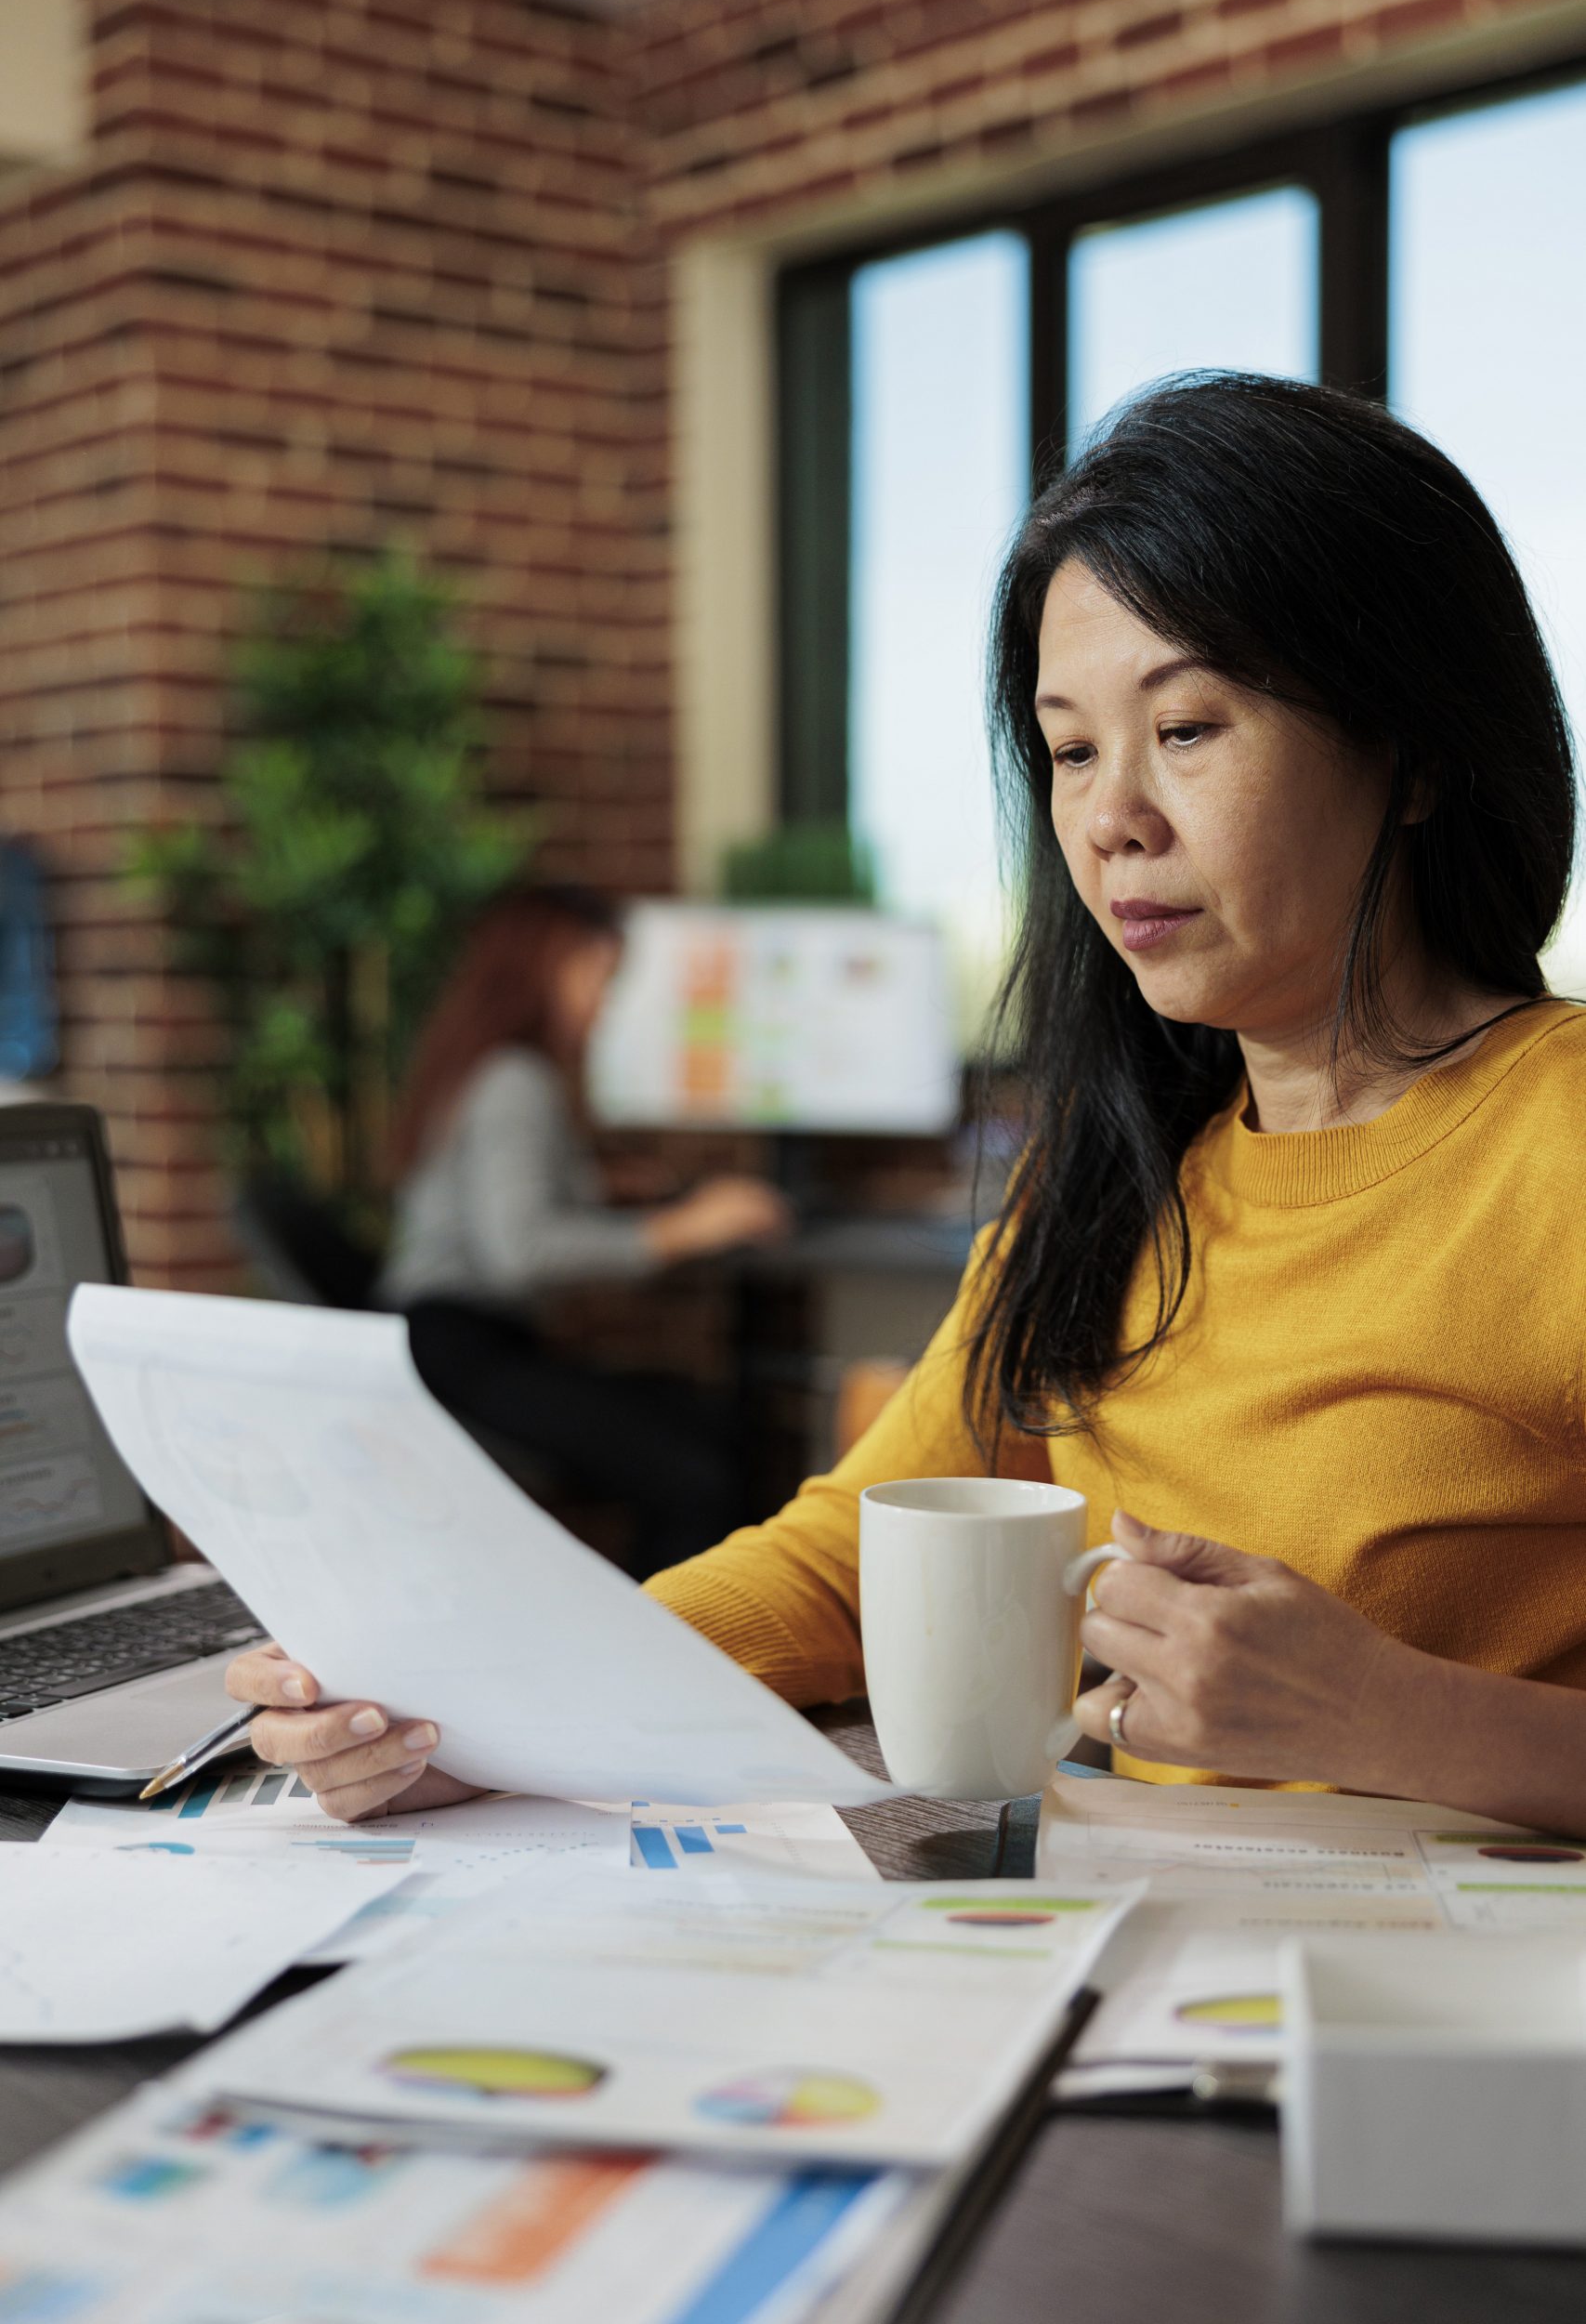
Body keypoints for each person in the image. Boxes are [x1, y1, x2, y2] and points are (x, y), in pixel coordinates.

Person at [230, 374, 1586, 1835]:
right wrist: (481, 1716)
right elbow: (847, 1556)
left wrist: (1397, 1718)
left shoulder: (1550, 1142)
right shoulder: (1114, 1164)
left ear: (1418, 756)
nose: (1110, 816)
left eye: (1185, 728)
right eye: (1069, 749)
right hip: (1143, 1968)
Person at [378, 881, 789, 1574]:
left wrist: (596, 1183)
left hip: (442, 1342)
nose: (605, 1006)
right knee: (694, 1475)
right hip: (460, 1353)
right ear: (544, 969)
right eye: (599, 978)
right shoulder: (518, 1082)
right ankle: (660, 1658)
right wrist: (685, 1228)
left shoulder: (483, 1068)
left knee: (715, 1424)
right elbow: (521, 1252)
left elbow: (492, 1193)